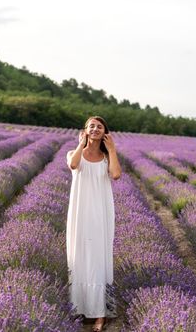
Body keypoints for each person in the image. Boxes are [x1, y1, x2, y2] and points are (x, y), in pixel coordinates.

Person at [66, 116, 122, 331]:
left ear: (105, 132)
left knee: (98, 259)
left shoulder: (108, 159)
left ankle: (100, 314)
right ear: (85, 130)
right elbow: (74, 164)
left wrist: (113, 149)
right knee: (79, 257)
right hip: (80, 213)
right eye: (92, 126)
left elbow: (116, 175)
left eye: (100, 127)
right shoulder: (73, 154)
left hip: (100, 213)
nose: (96, 129)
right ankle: (78, 307)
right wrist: (81, 143)